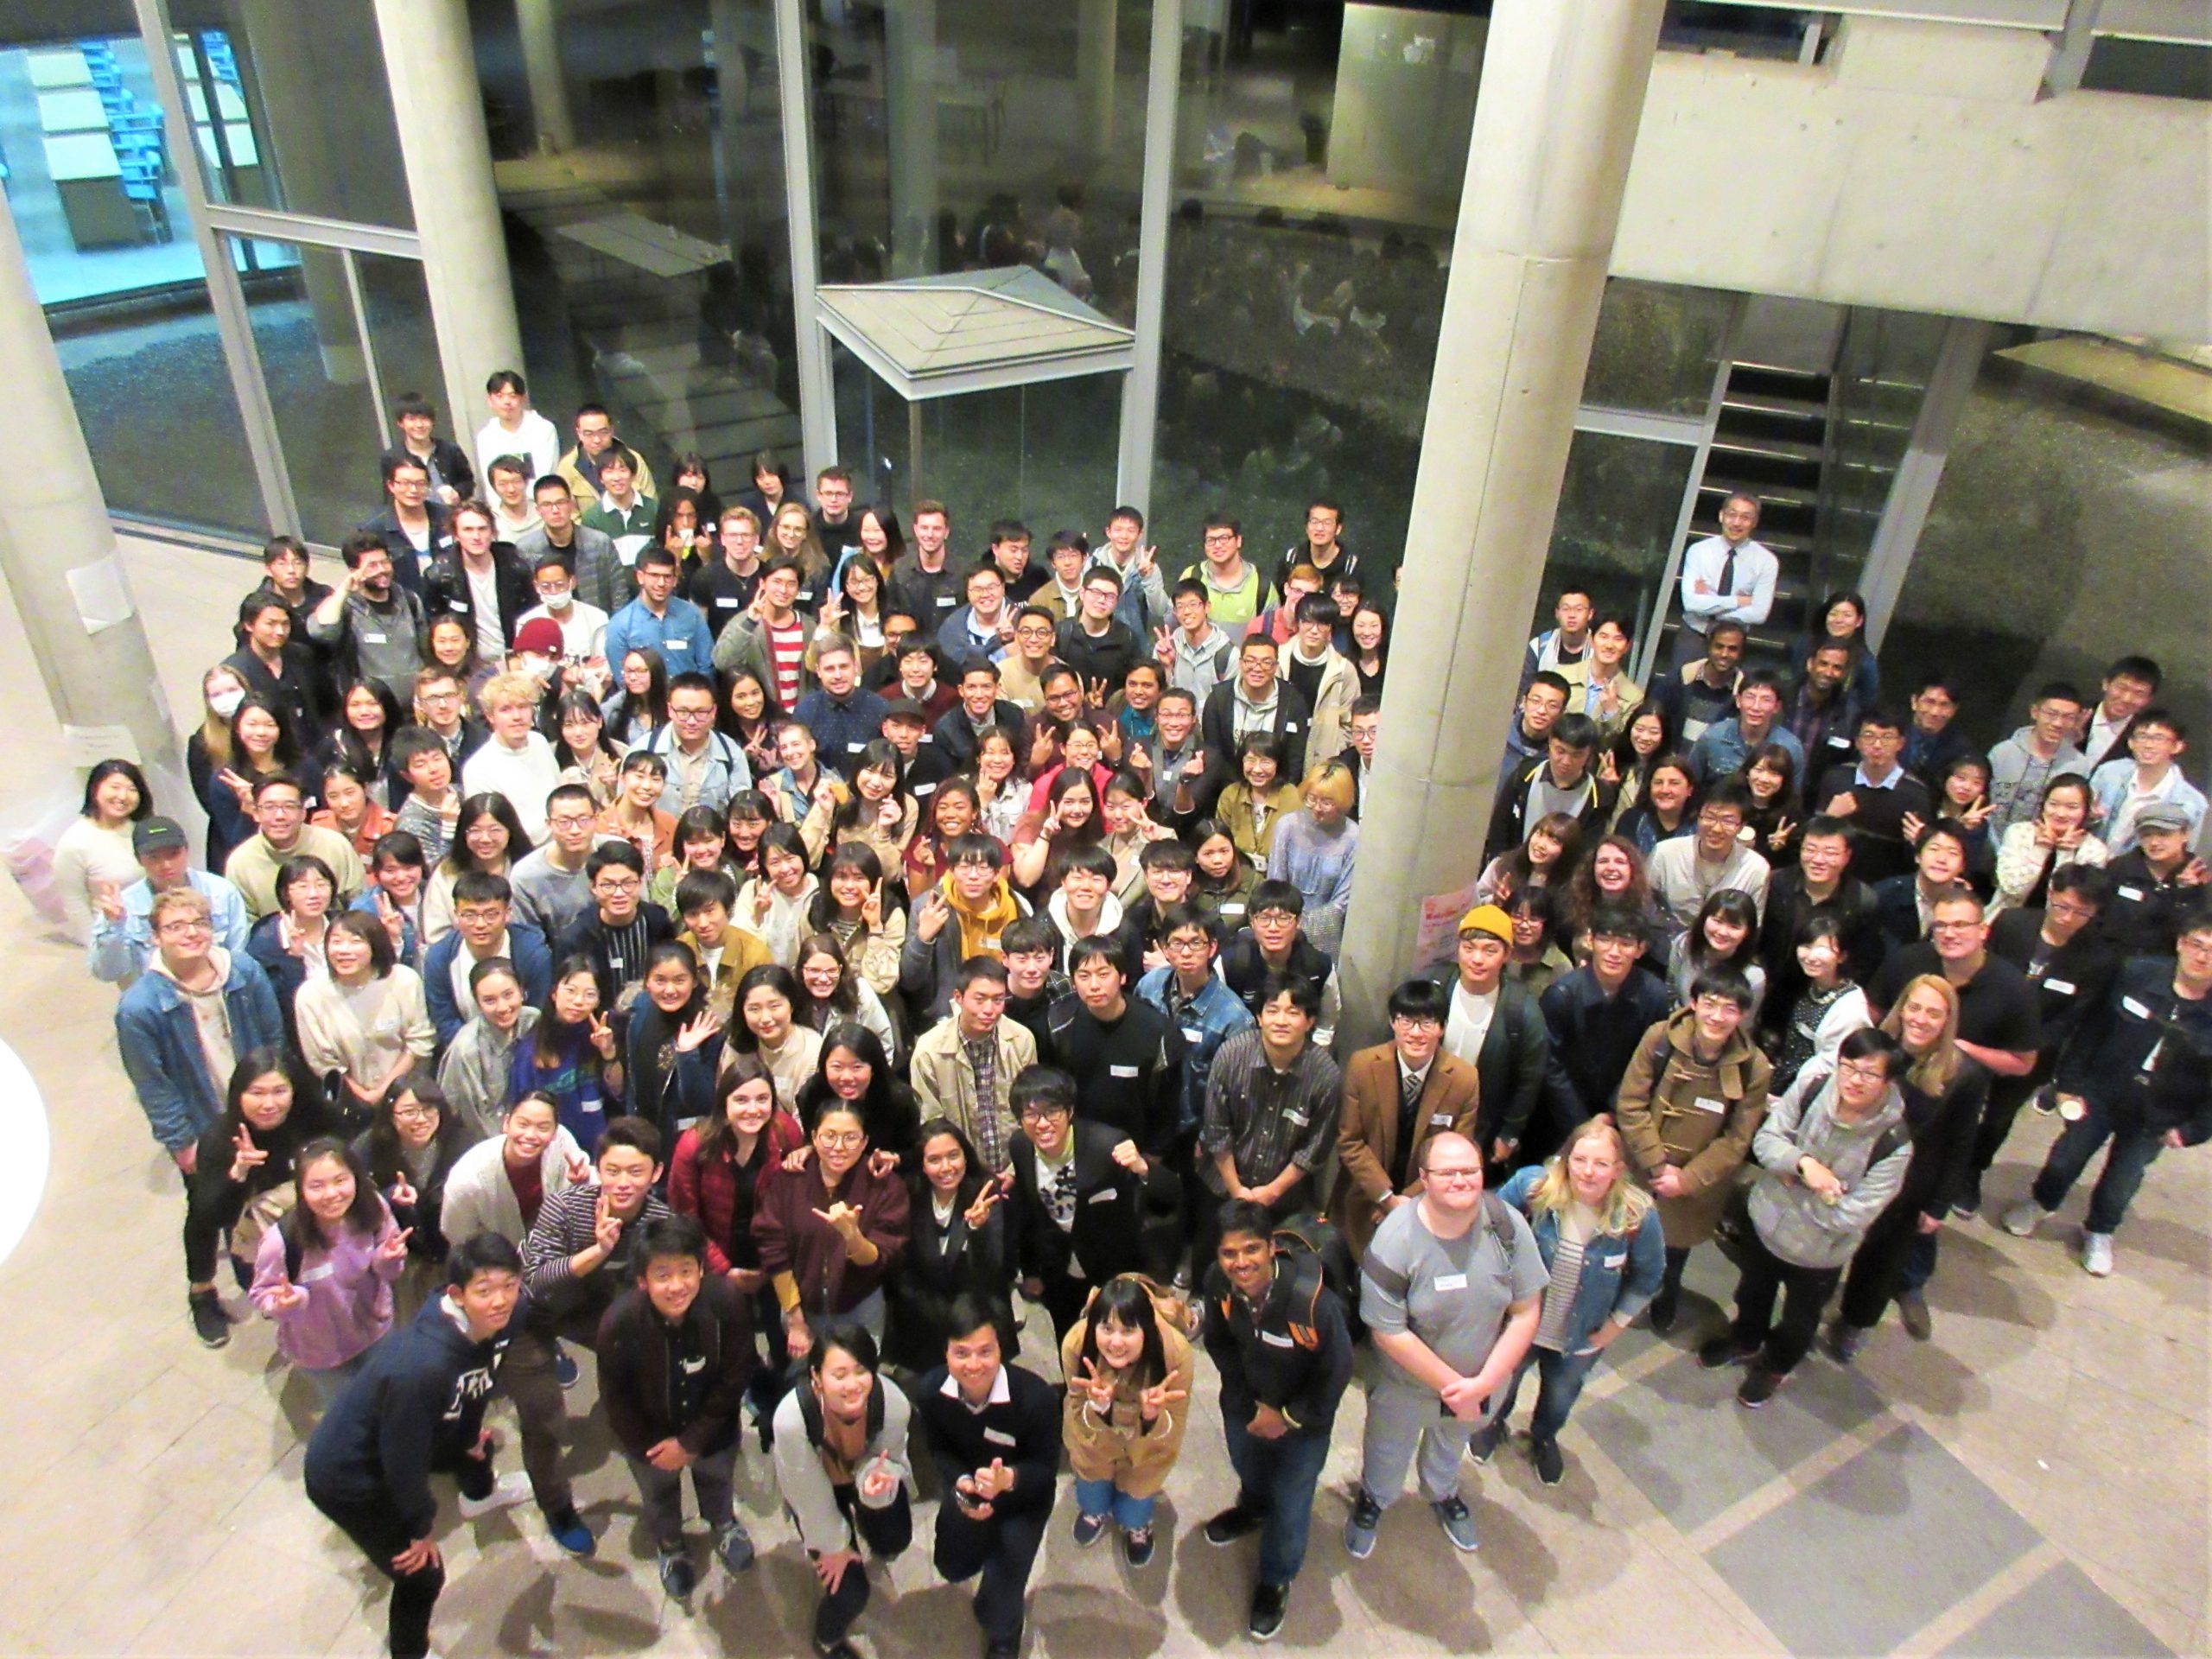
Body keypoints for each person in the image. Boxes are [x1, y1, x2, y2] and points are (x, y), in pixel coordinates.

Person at [304, 1233, 531, 1659]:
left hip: (417, 1431)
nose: (501, 1301)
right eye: (485, 1291)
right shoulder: (422, 1367)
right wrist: (420, 1528)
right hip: (348, 1475)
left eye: (510, 1286)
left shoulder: (509, 1316)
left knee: (477, 1446)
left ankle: (479, 1495)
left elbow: (479, 1380)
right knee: (422, 1574)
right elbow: (402, 1461)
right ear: (457, 1295)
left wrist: (468, 1434)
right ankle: (410, 1653)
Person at [1343, 1131, 1546, 1559]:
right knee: (1386, 1451)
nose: (1460, 1180)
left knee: (1450, 1447)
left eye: (1470, 1170)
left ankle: (1442, 1491)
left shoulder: (1506, 1225)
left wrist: (1483, 1385)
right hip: (1406, 1388)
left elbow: (1526, 1311)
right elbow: (1388, 1332)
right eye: (1447, 1172)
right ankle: (1374, 1499)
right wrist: (1459, 1389)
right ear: (1424, 1178)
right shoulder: (1395, 1240)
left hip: (1480, 1383)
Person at [1700, 1028, 1913, 1406]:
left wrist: (1790, 1181)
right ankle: (1746, 1340)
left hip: (1819, 1253)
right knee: (1751, 1292)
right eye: (1848, 1067)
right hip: (1766, 1224)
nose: (1854, 1080)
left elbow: (1854, 1214)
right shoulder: (1813, 1088)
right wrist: (1803, 1166)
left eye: (1869, 1074)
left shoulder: (1893, 1144)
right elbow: (1767, 1140)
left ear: (1888, 1081)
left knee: (1800, 1321)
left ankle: (1776, 1366)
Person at [2002, 905, 2212, 1277]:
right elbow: (2091, 1030)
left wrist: (2193, 1130)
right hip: (2100, 1092)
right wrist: (2068, 1085)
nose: (2203, 957)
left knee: (2122, 1181)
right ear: (2181, 943)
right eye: (2197, 944)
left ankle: (2099, 1230)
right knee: (2066, 1157)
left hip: (2157, 1114)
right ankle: (2041, 1202)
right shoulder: (2137, 974)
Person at [513, 1116, 676, 1554]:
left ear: (656, 1173)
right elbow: (536, 1278)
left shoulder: (659, 1220)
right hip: (534, 1313)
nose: (622, 1183)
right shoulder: (565, 1207)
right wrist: (598, 1250)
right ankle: (557, 1508)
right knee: (544, 1415)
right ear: (597, 1168)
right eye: (612, 1170)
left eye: (636, 1171)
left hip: (594, 1310)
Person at [1198, 1200, 1354, 1640]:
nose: (1240, 1263)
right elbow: (1220, 1344)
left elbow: (1335, 1373)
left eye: (1251, 1249)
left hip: (1303, 1424)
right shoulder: (1218, 1285)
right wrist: (1251, 1406)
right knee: (1248, 1466)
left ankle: (1276, 1578)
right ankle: (1252, 1509)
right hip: (1245, 1404)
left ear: (1272, 1248)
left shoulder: (1313, 1303)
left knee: (1290, 1502)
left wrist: (1286, 1416)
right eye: (1229, 1253)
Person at [1488, 1116, 1666, 1483]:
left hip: (1582, 1333)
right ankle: (1492, 1423)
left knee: (1560, 1394)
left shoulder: (1637, 1217)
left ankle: (1543, 1437)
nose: (1588, 1172)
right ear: (1565, 1159)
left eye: (1601, 1163)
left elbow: (1648, 1277)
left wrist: (1614, 1327)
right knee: (1504, 1378)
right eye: (1580, 1160)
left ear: (1618, 1170)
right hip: (1523, 1323)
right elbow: (1488, 1224)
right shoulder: (1535, 1188)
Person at [596, 1214, 759, 1600]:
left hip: (714, 1428)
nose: (676, 1286)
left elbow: (735, 1375)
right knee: (658, 1495)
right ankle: (670, 1546)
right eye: (662, 1275)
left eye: (686, 1271)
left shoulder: (726, 1303)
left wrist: (692, 1441)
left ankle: (723, 1524)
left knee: (718, 1479)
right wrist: (653, 1448)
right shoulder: (620, 1322)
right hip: (650, 1439)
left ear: (701, 1269)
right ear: (642, 1280)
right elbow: (616, 1399)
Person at [1827, 975, 1986, 1355]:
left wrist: (1939, 1205)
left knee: (1880, 1262)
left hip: (1908, 1186)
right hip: (1851, 1169)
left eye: (1933, 1013)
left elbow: (1961, 1144)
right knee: (1830, 1241)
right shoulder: (1875, 1048)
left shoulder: (1965, 1074)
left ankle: (1855, 1322)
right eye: (1914, 1007)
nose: (1920, 1019)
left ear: (1948, 1020)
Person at [1614, 969, 1774, 1332]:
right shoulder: (1660, 1038)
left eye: (1729, 1009)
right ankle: (1625, 1295)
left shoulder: (1753, 1067)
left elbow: (1737, 1139)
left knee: (1674, 1251)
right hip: (1642, 1167)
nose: (1717, 1017)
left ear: (1742, 1015)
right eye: (1710, 1004)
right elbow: (1631, 1103)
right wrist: (1657, 1164)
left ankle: (1666, 1296)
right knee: (1626, 1237)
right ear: (1693, 1003)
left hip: (1694, 1185)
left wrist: (1686, 1179)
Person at [1961, 866, 2120, 1213]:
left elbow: (2073, 1016)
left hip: (2033, 1052)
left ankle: (1972, 1171)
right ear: (2050, 894)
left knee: (1997, 1118)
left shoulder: (2098, 958)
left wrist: (2023, 1045)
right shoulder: (2013, 923)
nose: (2067, 918)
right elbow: (1980, 971)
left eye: (2081, 912)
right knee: (1959, 1100)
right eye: (2062, 906)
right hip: (1982, 1033)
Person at [914, 1297, 1060, 1659]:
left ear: (1001, 1350)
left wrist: (1008, 1479)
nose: (974, 1365)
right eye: (961, 1353)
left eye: (985, 1351)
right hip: (969, 1492)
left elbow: (1045, 1471)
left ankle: (1005, 1628)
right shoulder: (932, 1392)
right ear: (946, 1352)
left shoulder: (1036, 1398)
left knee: (999, 1605)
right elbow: (939, 1448)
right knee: (951, 1566)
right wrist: (961, 1483)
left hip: (1022, 1500)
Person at [117, 887, 287, 1180]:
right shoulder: (140, 1008)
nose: (191, 933)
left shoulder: (244, 971)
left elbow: (274, 1039)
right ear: (155, 937)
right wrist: (182, 1143)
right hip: (206, 1124)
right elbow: (153, 1085)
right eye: (175, 927)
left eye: (200, 923)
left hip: (265, 1111)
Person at [770, 1322, 917, 1659]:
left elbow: (893, 1458)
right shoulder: (791, 1420)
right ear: (816, 1378)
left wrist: (874, 1486)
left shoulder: (892, 1403)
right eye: (839, 1375)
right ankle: (827, 1639)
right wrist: (835, 1546)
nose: (852, 1385)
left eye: (861, 1371)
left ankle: (868, 1526)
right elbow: (805, 1493)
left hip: (863, 1474)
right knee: (850, 1590)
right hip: (816, 1487)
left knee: (895, 1538)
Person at [180, 1049, 330, 1347]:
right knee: (202, 1214)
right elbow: (211, 1215)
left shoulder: (312, 1118)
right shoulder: (220, 1138)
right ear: (239, 1094)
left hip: (299, 1210)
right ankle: (202, 1293)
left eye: (279, 1091)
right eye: (257, 1093)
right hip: (244, 1216)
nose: (269, 1104)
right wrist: (239, 1172)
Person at [1331, 976, 1482, 1265]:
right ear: (1392, 1023)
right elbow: (1350, 1141)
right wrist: (1387, 1198)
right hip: (1364, 1197)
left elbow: (1457, 1155)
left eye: (1427, 1023)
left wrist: (1405, 1204)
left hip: (1428, 1203)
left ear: (1442, 1027)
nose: (1416, 1033)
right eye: (1406, 1021)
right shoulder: (1363, 1065)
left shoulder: (1464, 1079)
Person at [1195, 975, 1341, 1271]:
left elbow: (1315, 1149)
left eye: (1293, 1012)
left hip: (1283, 1198)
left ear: (1310, 1021)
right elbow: (1216, 1131)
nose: (1281, 1021)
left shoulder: (1325, 1075)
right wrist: (1237, 1190)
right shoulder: (1231, 1055)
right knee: (1211, 1268)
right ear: (1259, 1017)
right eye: (1273, 1010)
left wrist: (1272, 1191)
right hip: (1221, 1186)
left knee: (1273, 1273)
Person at [250, 1137, 409, 1401]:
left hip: (376, 1331)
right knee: (347, 1411)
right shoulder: (282, 1241)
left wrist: (388, 1259)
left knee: (387, 1397)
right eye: (317, 1186)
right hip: (321, 1354)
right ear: (301, 1190)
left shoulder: (373, 1209)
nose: (331, 1194)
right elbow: (261, 1293)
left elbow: (389, 1270)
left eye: (340, 1180)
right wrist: (288, 1302)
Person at [1002, 1064, 1150, 1339]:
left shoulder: (1107, 1145)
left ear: (1070, 1111)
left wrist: (1143, 1170)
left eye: (1052, 1112)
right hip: (1056, 1267)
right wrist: (1031, 1269)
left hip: (1110, 1267)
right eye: (1031, 1114)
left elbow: (1152, 1204)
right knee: (1068, 1337)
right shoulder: (1020, 1146)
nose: (1042, 1123)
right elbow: (1029, 1215)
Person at [1060, 1274, 1193, 1566]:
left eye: (1129, 1330)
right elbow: (1075, 1409)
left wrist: (1152, 1418)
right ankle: (1095, 1513)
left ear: (1146, 1328)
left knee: (1133, 1511)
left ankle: (1137, 1527)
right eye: (1107, 1328)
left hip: (1147, 1451)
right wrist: (1098, 1409)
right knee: (1092, 1495)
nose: (1116, 1342)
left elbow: (1175, 1426)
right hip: (1094, 1444)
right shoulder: (1076, 1344)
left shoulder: (1176, 1354)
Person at [1427, 905, 1549, 1166]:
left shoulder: (1522, 1010)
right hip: (1426, 1106)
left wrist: (1510, 1132)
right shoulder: (1435, 985)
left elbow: (1530, 1079)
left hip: (1480, 1119)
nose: (1477, 959)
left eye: (1489, 951)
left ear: (1507, 955)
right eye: (1468, 948)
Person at [1539, 904, 1674, 1138]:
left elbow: (1649, 1062)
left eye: (1626, 944)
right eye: (1605, 940)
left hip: (1625, 1110)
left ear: (1640, 949)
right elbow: (1551, 1065)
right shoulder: (1562, 995)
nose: (1614, 952)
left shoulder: (1654, 995)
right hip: (1561, 1113)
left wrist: (1611, 1114)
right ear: (1591, 941)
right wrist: (1581, 1123)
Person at [296, 911, 436, 1118]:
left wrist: (384, 1091)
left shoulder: (403, 980)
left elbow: (419, 1043)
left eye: (355, 941)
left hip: (408, 1095)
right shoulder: (311, 995)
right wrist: (363, 1097)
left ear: (375, 944)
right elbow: (322, 1063)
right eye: (336, 942)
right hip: (346, 1103)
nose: (344, 950)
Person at [910, 957, 1039, 1175]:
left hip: (1016, 1168)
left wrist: (1014, 1171)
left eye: (998, 1000)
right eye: (980, 999)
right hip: (960, 1173)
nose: (989, 1009)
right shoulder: (929, 1051)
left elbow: (1031, 1110)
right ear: (958, 997)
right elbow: (932, 1125)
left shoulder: (1021, 1040)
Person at [90, 816, 253, 986]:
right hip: (154, 996)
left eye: (173, 854)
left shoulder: (221, 892)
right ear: (139, 859)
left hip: (218, 988)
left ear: (186, 851)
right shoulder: (124, 905)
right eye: (154, 857)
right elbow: (107, 973)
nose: (166, 865)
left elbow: (239, 957)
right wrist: (114, 926)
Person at [439, 1091, 589, 1249]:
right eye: (523, 1124)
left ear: (555, 1132)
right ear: (506, 1124)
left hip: (555, 1246)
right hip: (496, 1255)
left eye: (543, 1128)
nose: (531, 1135)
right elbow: (458, 1236)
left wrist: (580, 1184)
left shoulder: (562, 1142)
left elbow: (583, 1204)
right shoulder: (468, 1178)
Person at [1811, 709, 1935, 886]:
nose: (1877, 745)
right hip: (1836, 880)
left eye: (1887, 737)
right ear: (1858, 742)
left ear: (1900, 743)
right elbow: (1812, 839)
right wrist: (1829, 818)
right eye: (1869, 736)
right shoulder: (1836, 778)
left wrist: (1918, 842)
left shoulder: (1916, 793)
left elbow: (1914, 861)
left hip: (1888, 886)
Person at [225, 772, 365, 920]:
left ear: (303, 812)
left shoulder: (335, 845)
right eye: (269, 807)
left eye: (289, 806)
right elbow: (244, 922)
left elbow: (359, 902)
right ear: (256, 813)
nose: (280, 816)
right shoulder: (240, 862)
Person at [1758, 910, 1871, 1096]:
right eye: (1806, 946)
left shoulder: (1851, 1008)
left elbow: (1832, 1065)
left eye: (1822, 949)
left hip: (1812, 1092)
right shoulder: (1805, 983)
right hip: (1781, 1081)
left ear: (1842, 956)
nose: (1811, 956)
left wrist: (1791, 1097)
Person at [308, 533, 429, 701]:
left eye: (385, 562)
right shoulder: (344, 606)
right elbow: (320, 632)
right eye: (372, 565)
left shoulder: (410, 601)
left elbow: (426, 650)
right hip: (370, 706)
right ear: (354, 571)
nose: (382, 570)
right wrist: (344, 590)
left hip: (415, 704)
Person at [1648, 784, 1771, 937]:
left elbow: (1752, 926)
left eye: (1728, 821)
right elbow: (1645, 904)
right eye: (1710, 817)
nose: (1716, 828)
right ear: (1698, 818)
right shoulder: (1665, 853)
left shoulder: (1756, 868)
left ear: (1741, 827)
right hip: (1667, 940)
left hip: (1723, 944)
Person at [435, 958, 538, 1137]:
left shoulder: (534, 1021)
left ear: (522, 992)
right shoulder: (466, 1050)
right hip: (487, 1139)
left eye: (508, 995)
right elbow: (471, 1121)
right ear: (478, 1003)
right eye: (489, 1000)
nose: (502, 1007)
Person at [53, 757, 150, 945]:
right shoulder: (74, 843)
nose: (123, 796)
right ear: (94, 789)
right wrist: (96, 947)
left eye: (132, 789)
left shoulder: (144, 829)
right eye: (115, 787)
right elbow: (74, 903)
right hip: (115, 938)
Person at [1675, 491, 1776, 666]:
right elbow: (1691, 603)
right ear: (1721, 516)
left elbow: (1759, 613)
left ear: (1754, 522)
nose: (1737, 523)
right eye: (1731, 515)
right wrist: (1738, 601)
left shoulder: (1766, 561)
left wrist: (1711, 609)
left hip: (1734, 640)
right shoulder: (1698, 551)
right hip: (1695, 633)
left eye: (1745, 517)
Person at [2099, 800, 2209, 956]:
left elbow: (2196, 932)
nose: (2154, 842)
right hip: (2113, 957)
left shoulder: (2200, 876)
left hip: (2165, 961)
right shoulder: (2120, 868)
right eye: (2146, 835)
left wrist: (2183, 892)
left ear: (2185, 834)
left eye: (2164, 834)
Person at [2088, 709, 2204, 854]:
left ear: (2177, 746)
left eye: (2159, 738)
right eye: (2142, 737)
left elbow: (2183, 853)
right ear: (2131, 742)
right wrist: (2091, 818)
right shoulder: (2108, 773)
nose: (2149, 745)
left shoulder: (2191, 802)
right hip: (2090, 859)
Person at [1986, 682, 2090, 835]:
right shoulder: (2003, 752)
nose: (2058, 723)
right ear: (2035, 712)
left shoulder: (2078, 765)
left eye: (2068, 717)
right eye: (2051, 714)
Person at [604, 543, 715, 684]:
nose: (661, 583)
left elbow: (706, 666)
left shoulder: (692, 615)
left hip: (688, 696)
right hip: (645, 697)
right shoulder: (620, 624)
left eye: (667, 576)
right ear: (640, 577)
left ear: (675, 580)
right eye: (654, 575)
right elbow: (622, 679)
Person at [1651, 619, 1745, 746]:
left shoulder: (1745, 695)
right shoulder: (1677, 681)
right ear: (1708, 647)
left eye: (1732, 649)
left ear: (1741, 653)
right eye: (1719, 647)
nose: (1724, 654)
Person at [557, 402, 660, 501]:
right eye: (589, 434)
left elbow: (651, 502)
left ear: (611, 430)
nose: (597, 440)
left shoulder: (634, 459)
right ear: (579, 433)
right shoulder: (568, 467)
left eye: (603, 432)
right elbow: (566, 510)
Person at [475, 369, 561, 482]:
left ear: (523, 398)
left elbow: (544, 474)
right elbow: (490, 481)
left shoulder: (543, 430)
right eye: (500, 396)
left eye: (513, 396)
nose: (507, 402)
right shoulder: (485, 437)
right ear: (490, 400)